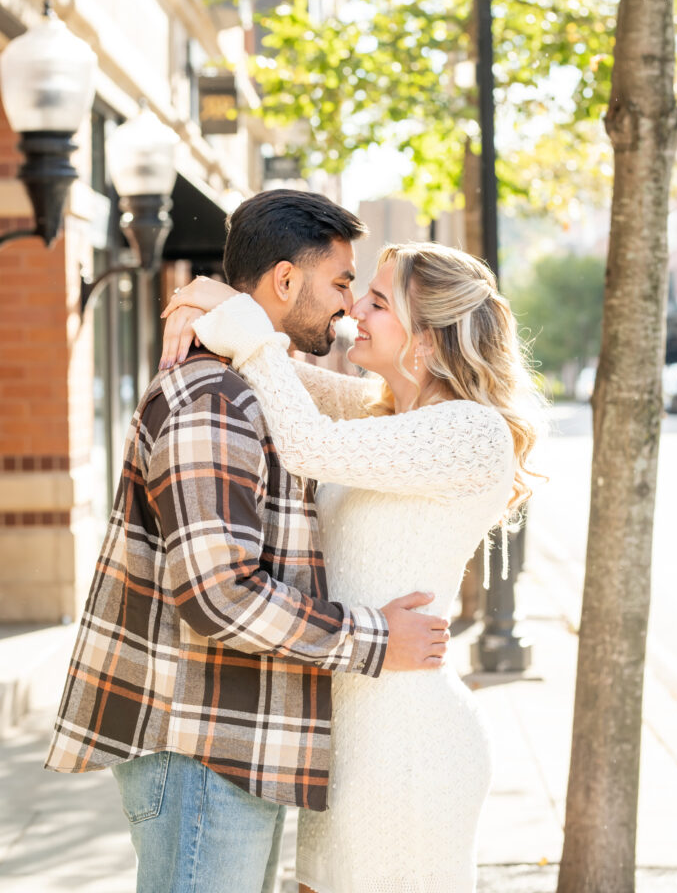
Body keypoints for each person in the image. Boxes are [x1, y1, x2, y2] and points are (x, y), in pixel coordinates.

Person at [44, 189, 451, 893]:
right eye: (341, 282)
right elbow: (218, 594)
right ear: (285, 281)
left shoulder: (251, 386)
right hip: (199, 745)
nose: (348, 307)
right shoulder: (215, 399)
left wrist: (214, 304)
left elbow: (372, 413)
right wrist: (376, 639)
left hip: (232, 739)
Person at [160, 237, 542, 893]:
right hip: (346, 743)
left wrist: (241, 328)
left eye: (376, 301)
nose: (351, 315)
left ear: (426, 337)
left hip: (409, 747)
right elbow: (277, 373)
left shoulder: (470, 432)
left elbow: (303, 440)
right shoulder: (380, 413)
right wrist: (206, 297)